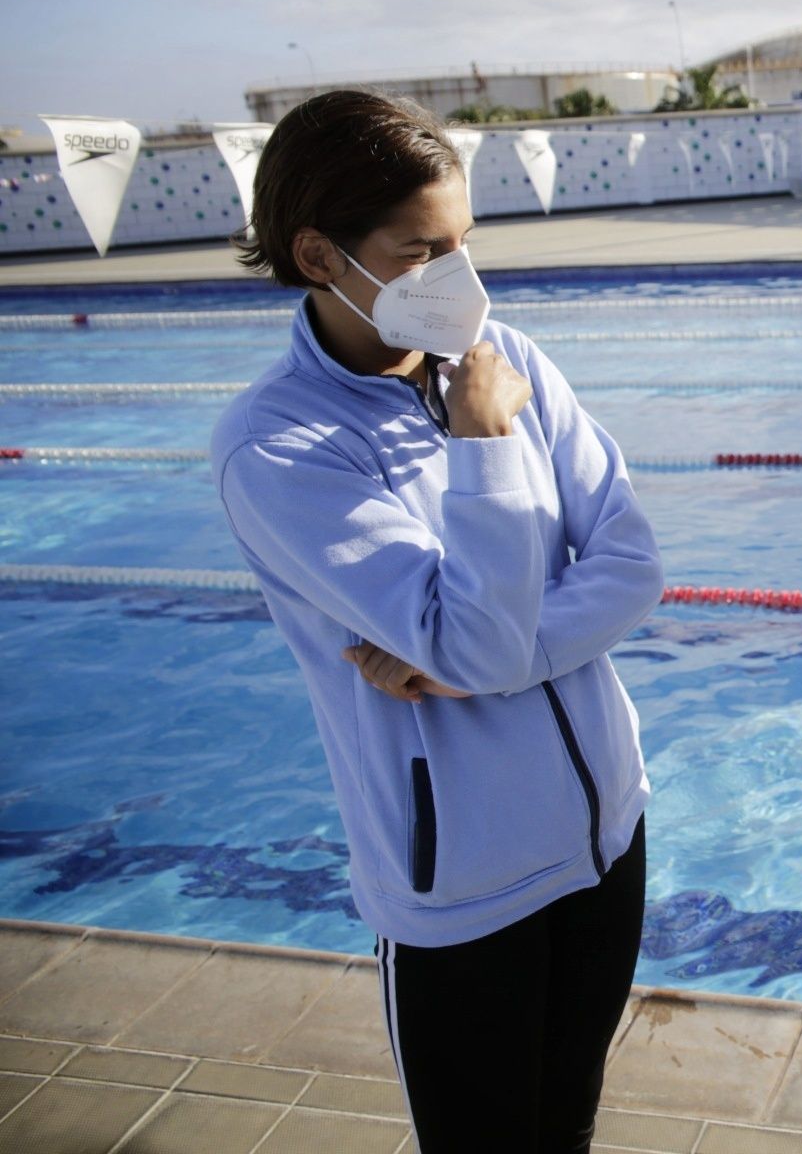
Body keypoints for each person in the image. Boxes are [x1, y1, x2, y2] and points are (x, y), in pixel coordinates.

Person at [209, 91, 663, 1153]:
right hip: (462, 890)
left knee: (571, 1123)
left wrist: (499, 654)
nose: (461, 279)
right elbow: (473, 641)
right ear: (320, 254)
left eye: (464, 242)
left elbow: (634, 561)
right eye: (423, 252)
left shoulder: (507, 357)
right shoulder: (279, 448)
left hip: (608, 836)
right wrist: (486, 445)